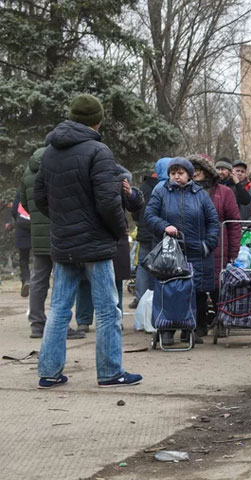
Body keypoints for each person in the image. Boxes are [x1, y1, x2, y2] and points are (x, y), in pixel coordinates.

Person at [34, 93, 142, 388]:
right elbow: (109, 202)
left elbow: (40, 197)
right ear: (98, 121)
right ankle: (110, 372)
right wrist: (118, 230)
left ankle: (49, 372)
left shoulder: (50, 151)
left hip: (64, 241)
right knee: (108, 309)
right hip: (95, 243)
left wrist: (63, 219)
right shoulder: (99, 151)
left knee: (58, 309)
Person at [144, 157, 220, 345]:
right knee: (169, 289)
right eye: (173, 173)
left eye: (180, 173)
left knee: (195, 291)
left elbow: (213, 221)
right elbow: (149, 215)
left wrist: (208, 244)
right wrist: (164, 226)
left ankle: (190, 328)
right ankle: (167, 330)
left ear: (189, 175)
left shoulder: (200, 194)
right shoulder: (161, 192)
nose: (176, 177)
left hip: (196, 250)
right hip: (170, 251)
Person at [20, 147, 87, 340]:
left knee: (38, 280)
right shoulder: (56, 166)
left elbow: (24, 202)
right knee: (62, 279)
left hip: (38, 234)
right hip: (60, 231)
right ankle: (61, 325)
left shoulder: (27, 171)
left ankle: (37, 324)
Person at [76, 166, 145, 332]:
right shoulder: (84, 180)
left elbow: (136, 206)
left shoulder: (119, 180)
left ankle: (116, 317)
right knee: (85, 280)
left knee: (116, 280)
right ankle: (83, 320)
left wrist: (131, 194)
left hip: (116, 235)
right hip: (90, 234)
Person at [189, 154, 242, 334]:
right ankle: (199, 325)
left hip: (220, 247)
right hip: (195, 246)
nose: (195, 174)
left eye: (198, 170)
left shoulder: (224, 192)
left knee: (219, 288)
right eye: (193, 170)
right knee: (196, 288)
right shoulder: (187, 191)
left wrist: (235, 251)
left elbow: (234, 223)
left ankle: (222, 322)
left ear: (206, 172)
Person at [129, 160, 165, 308]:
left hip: (144, 232)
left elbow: (135, 212)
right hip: (159, 233)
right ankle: (157, 299)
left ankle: (141, 299)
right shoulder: (165, 187)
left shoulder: (143, 188)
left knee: (143, 266)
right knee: (159, 267)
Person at [10, 191, 31, 296]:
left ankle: (26, 280)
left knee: (23, 259)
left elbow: (14, 210)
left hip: (22, 228)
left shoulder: (20, 192)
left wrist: (17, 220)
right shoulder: (42, 186)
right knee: (41, 258)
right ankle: (40, 284)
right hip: (37, 228)